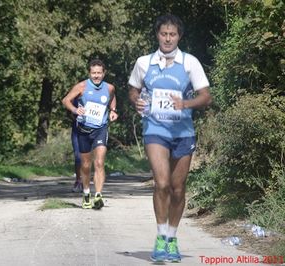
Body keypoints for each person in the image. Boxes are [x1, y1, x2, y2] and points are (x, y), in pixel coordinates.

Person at [128, 14, 212, 262]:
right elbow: (133, 89)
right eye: (163, 34)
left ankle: (172, 238)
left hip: (183, 133)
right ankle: (160, 236)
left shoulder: (190, 63)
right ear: (157, 35)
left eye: (172, 34)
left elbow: (206, 97)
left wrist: (184, 103)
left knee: (178, 189)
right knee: (162, 183)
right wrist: (137, 101)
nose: (167, 38)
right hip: (155, 130)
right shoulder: (144, 62)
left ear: (179, 37)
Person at [62, 59, 118, 209]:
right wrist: (75, 110)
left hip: (100, 129)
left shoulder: (110, 88)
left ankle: (98, 195)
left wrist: (113, 111)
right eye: (93, 73)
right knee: (86, 165)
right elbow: (66, 100)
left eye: (99, 73)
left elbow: (112, 99)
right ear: (89, 73)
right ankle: (86, 193)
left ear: (104, 73)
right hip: (83, 130)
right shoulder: (82, 86)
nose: (96, 76)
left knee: (99, 162)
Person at [69, 98, 83, 193]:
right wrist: (77, 118)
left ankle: (85, 181)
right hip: (77, 131)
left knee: (88, 157)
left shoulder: (96, 97)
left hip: (92, 131)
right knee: (78, 156)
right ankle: (78, 181)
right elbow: (70, 113)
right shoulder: (75, 99)